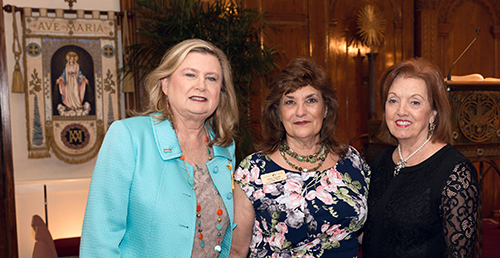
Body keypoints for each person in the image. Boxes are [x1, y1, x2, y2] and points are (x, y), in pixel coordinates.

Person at [80, 39, 239, 257]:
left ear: (220, 92)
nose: (201, 85)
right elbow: (100, 239)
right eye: (190, 74)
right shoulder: (129, 136)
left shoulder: (224, 147)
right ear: (165, 84)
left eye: (211, 78)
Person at [230, 57, 370, 257]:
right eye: (290, 102)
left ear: (326, 109)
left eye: (311, 100)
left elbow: (368, 234)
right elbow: (236, 251)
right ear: (278, 113)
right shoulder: (252, 171)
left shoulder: (352, 161)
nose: (301, 111)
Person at [361, 58, 479, 257]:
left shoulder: (455, 172)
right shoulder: (381, 160)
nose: (401, 111)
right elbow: (375, 233)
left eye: (414, 102)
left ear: (433, 113)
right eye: (393, 100)